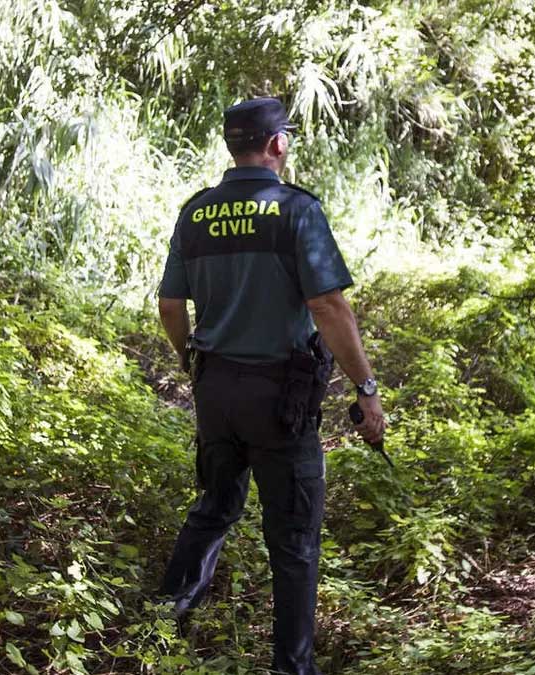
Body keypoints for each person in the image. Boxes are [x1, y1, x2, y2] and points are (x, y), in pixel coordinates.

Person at [155, 96, 386, 675]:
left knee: (213, 507)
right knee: (293, 541)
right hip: (279, 400)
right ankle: (292, 668)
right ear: (277, 143)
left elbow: (169, 304)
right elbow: (328, 305)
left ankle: (153, 639)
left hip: (215, 392)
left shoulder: (196, 213)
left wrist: (191, 360)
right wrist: (367, 387)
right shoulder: (296, 211)